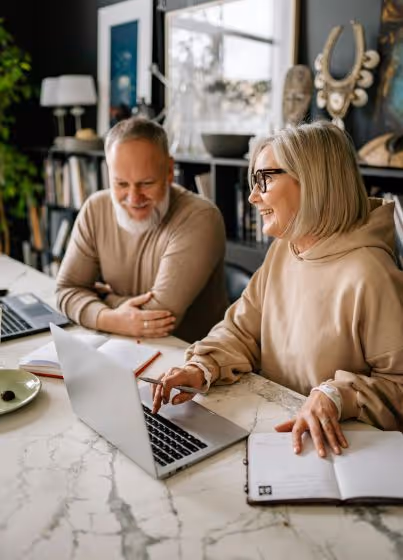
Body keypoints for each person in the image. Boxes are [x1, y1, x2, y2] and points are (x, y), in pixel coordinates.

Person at [152, 120, 403, 457]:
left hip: (336, 451)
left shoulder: (371, 273)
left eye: (264, 179)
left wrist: (337, 395)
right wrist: (200, 368)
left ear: (313, 182)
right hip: (272, 431)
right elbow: (241, 330)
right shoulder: (285, 248)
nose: (254, 196)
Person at [56, 117, 228, 343]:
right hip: (123, 345)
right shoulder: (96, 209)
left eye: (146, 183)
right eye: (121, 184)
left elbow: (159, 319)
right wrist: (111, 318)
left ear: (169, 171)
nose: (134, 198)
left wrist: (101, 296)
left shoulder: (200, 217)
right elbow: (66, 291)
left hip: (192, 360)